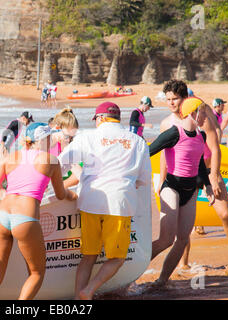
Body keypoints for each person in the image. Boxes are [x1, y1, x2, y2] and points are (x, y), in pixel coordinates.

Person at [0, 122, 77, 300]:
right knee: (36, 274)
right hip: (25, 217)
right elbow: (60, 193)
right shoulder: (51, 160)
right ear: (45, 139)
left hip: (2, 215)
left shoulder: (10, 158)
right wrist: (72, 195)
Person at [58, 102, 152, 300]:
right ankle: (89, 290)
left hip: (90, 201)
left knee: (88, 256)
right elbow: (143, 180)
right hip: (120, 202)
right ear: (118, 118)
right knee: (117, 258)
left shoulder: (86, 137)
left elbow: (60, 164)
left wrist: (52, 188)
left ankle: (78, 300)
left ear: (99, 118)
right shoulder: (137, 141)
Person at [155, 80, 228, 270]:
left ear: (184, 98)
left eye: (175, 99)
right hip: (181, 176)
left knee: (224, 213)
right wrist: (162, 179)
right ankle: (183, 263)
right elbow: (165, 154)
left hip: (207, 171)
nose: (172, 103)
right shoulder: (166, 123)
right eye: (168, 99)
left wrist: (213, 176)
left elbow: (215, 148)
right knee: (182, 222)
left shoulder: (200, 117)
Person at [149, 97, 215, 288]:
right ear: (193, 113)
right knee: (166, 240)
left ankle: (162, 280)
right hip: (172, 188)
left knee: (182, 239)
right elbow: (147, 151)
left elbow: (200, 164)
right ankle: (130, 271)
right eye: (204, 113)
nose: (206, 117)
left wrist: (208, 186)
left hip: (191, 190)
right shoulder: (173, 133)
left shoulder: (200, 136)